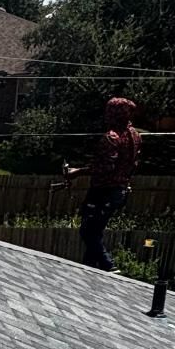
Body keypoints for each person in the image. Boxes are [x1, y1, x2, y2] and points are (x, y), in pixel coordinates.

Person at [65, 97, 142, 270]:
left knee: (87, 231)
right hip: (119, 191)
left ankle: (109, 266)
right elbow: (134, 165)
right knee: (96, 230)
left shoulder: (111, 138)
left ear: (113, 114)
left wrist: (76, 172)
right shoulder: (135, 136)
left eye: (109, 112)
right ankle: (90, 269)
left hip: (103, 191)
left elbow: (105, 167)